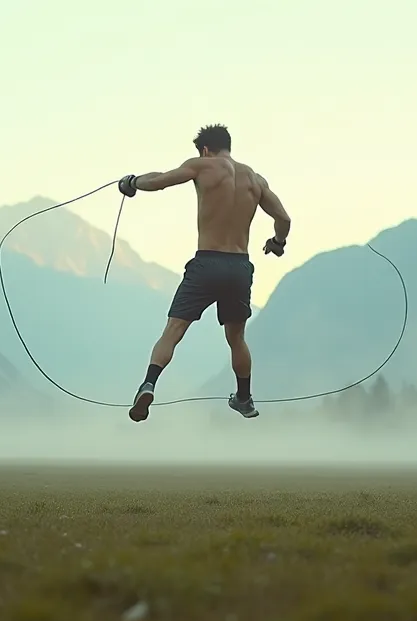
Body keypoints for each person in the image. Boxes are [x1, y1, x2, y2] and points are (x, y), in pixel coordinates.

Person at [117, 124, 291, 423]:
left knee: (173, 331)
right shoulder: (255, 179)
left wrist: (131, 183)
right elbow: (284, 219)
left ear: (205, 150)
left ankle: (149, 384)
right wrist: (277, 243)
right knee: (237, 338)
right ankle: (245, 398)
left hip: (207, 262)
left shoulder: (202, 165)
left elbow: (159, 181)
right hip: (239, 266)